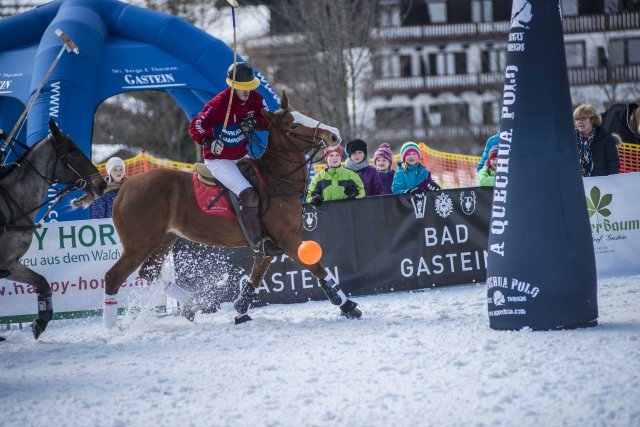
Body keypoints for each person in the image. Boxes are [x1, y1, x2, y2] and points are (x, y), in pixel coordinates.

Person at [189, 61, 283, 256]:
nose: (247, 92)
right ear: (232, 85)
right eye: (242, 88)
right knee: (248, 194)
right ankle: (258, 243)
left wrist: (254, 122)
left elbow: (268, 119)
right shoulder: (218, 103)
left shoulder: (256, 98)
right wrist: (209, 141)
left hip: (241, 155)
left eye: (249, 87)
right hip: (219, 160)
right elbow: (196, 125)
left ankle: (272, 231)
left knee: (267, 187)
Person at [574, 104, 620, 177]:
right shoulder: (571, 139)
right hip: (577, 183)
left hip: (600, 185)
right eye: (577, 119)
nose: (579, 121)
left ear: (592, 120)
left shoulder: (606, 139)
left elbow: (613, 166)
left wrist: (602, 179)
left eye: (583, 118)